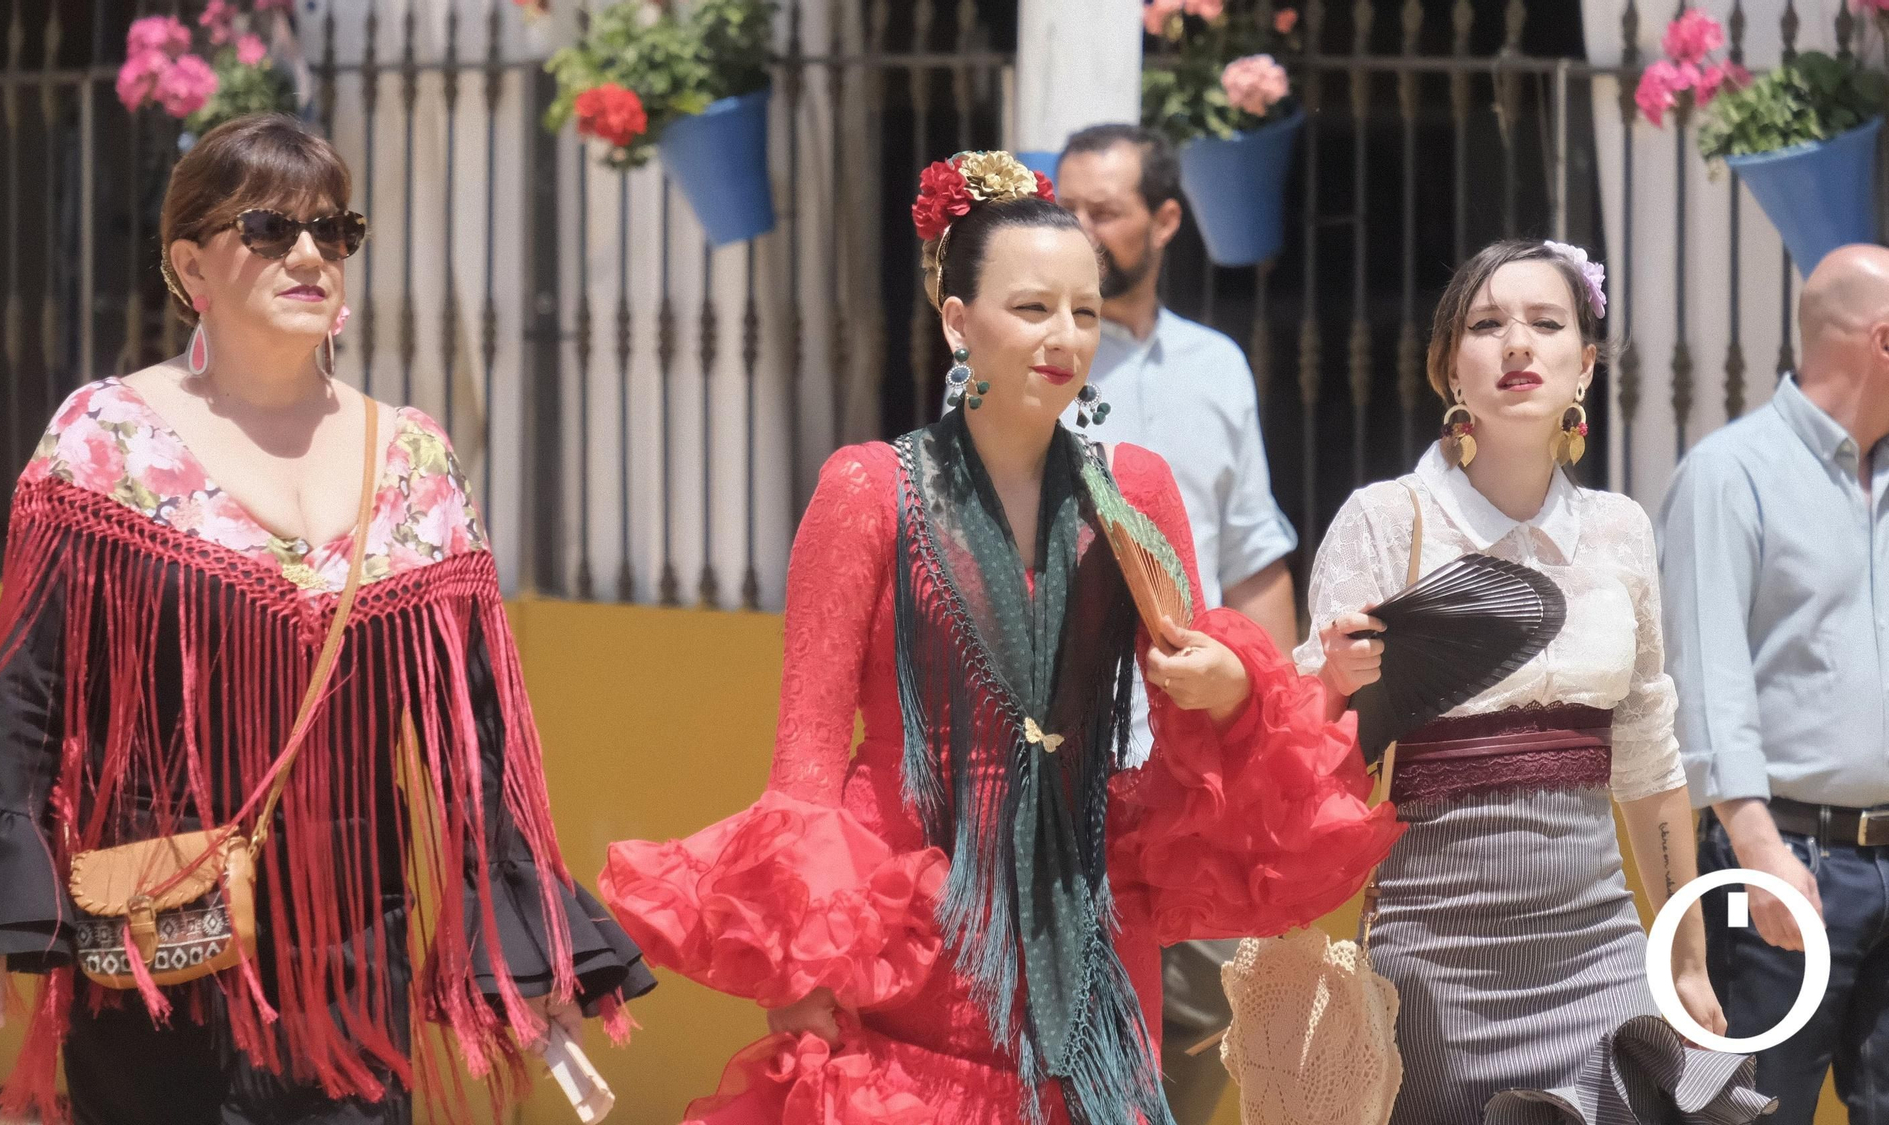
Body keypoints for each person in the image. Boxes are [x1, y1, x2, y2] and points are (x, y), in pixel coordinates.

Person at [597, 151, 1401, 1123]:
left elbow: (1190, 730)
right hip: (909, 920)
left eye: (1086, 312)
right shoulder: (867, 490)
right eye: (1031, 309)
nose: (1064, 337)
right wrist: (796, 961)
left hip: (1090, 911)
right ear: (954, 320)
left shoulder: (1131, 492)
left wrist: (1232, 687)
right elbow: (803, 761)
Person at [0, 114, 653, 1124]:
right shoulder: (106, 439)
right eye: (268, 228)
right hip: (158, 954)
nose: (309, 254)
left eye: (334, 232)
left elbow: (475, 732)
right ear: (190, 264)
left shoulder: (412, 461)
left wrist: (524, 945)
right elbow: (29, 694)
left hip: (351, 973)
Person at [1299, 238, 1771, 1124]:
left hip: (1597, 950)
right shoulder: (1383, 519)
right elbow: (1304, 751)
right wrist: (1328, 684)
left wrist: (1683, 958)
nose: (1518, 344)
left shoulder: (1621, 530)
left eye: (1546, 323)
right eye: (1487, 324)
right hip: (1427, 964)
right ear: (1451, 367)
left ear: (1584, 363)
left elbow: (1647, 763)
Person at [1053, 122, 1300, 1116]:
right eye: (1059, 207)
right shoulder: (1014, 368)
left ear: (1163, 221)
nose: (1075, 230)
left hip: (1193, 774)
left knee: (1197, 1051)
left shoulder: (1218, 367)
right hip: (1061, 770)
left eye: (1099, 211)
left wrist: (1274, 743)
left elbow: (1253, 561)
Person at [1658, 243, 1889, 1124]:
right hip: (1788, 865)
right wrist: (1758, 849)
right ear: (1883, 341)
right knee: (1756, 1114)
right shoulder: (1730, 474)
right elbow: (1706, 680)